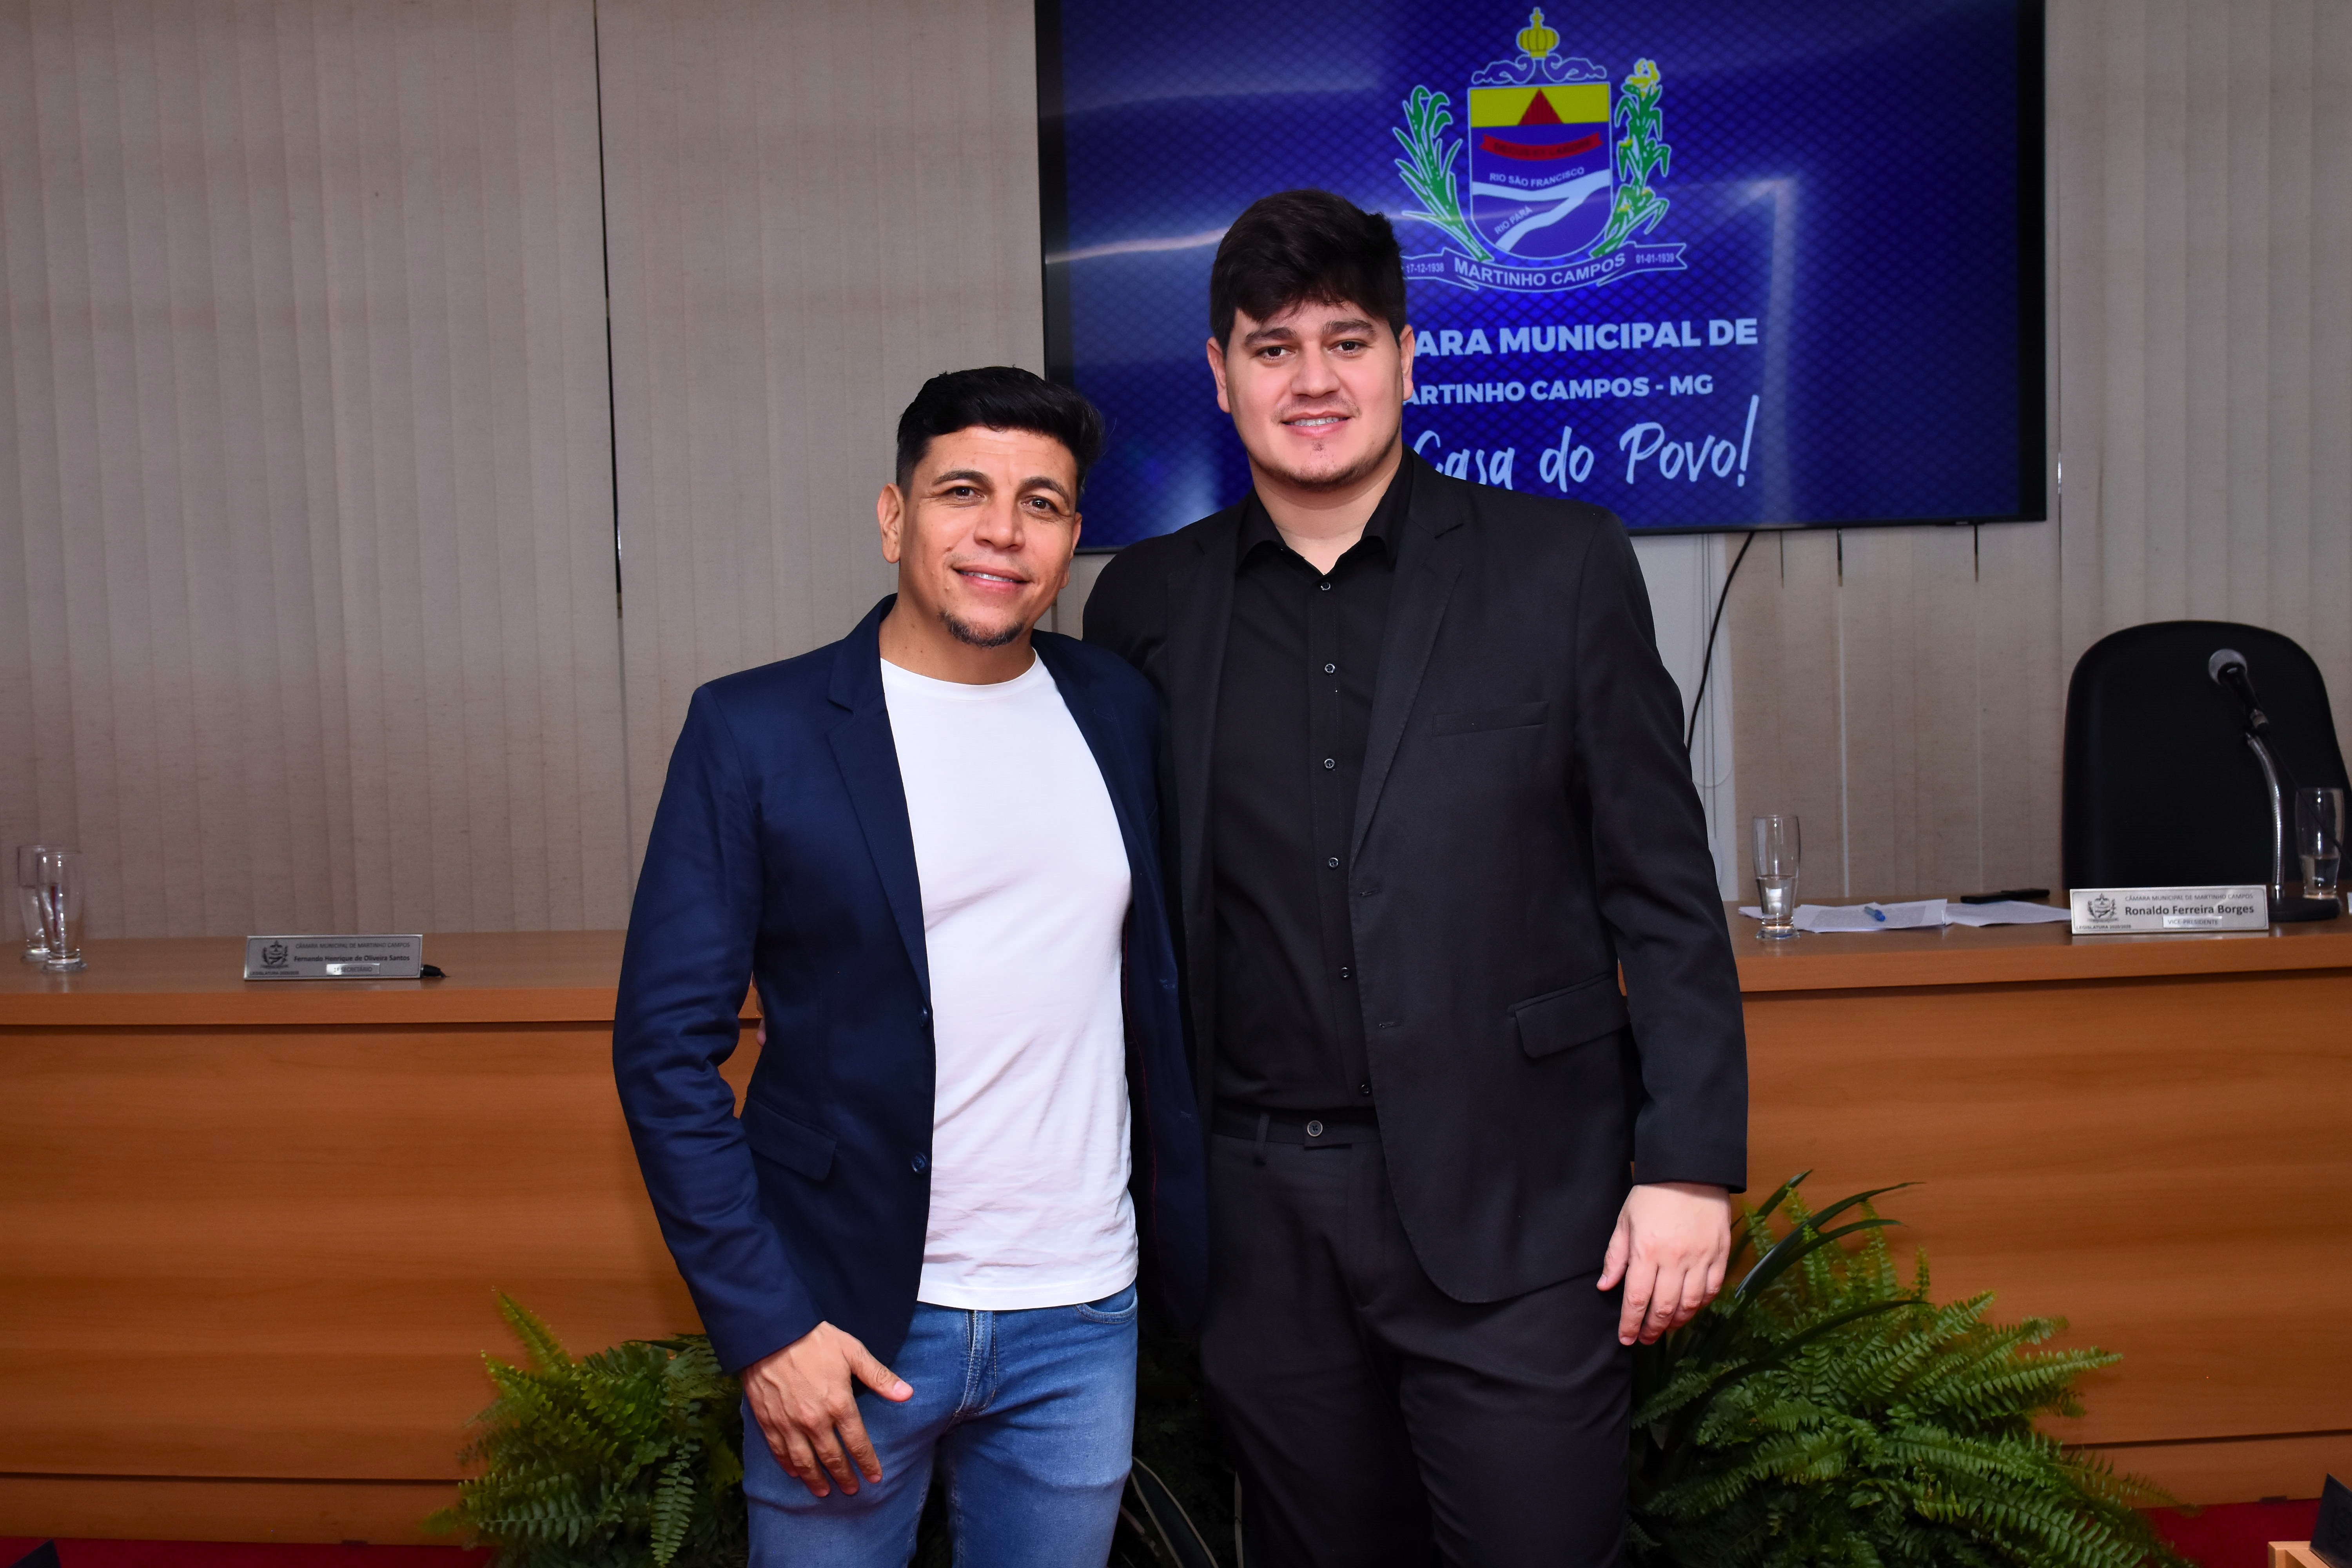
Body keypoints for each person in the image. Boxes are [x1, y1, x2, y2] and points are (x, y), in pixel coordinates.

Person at [1083, 190, 1748, 1565]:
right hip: (1260, 1220)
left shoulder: (1561, 566)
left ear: (1407, 357)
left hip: (1520, 1198)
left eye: (1347, 341)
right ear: (1219, 373)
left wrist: (1689, 1163)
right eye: (1272, 348)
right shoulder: (1144, 603)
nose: (1312, 381)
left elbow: (1664, 893)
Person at [614, 366, 1207, 1566]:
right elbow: (664, 1052)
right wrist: (767, 1328)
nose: (1003, 531)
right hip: (845, 1319)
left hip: (1082, 1313)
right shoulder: (757, 730)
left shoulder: (1119, 708)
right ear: (895, 518)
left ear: (1072, 541)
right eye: (964, 492)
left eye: (1042, 504)